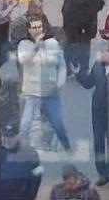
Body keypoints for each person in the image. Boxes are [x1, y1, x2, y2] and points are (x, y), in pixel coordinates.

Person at [71, 39, 109, 186]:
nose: (102, 55)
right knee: (98, 142)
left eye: (104, 52)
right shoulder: (97, 66)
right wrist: (79, 74)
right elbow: (89, 83)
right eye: (101, 52)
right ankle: (103, 173)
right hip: (98, 110)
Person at [17, 17, 72, 152]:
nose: (38, 30)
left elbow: (62, 65)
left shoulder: (53, 43)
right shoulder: (24, 44)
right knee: (26, 123)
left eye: (39, 27)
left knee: (57, 122)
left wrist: (60, 82)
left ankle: (65, 146)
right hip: (32, 90)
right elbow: (24, 61)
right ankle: (20, 148)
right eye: (34, 27)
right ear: (28, 30)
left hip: (50, 90)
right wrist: (36, 45)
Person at [61, 0, 105, 73]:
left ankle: (82, 68)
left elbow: (95, 4)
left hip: (85, 22)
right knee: (71, 43)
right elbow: (69, 1)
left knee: (83, 45)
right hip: (72, 20)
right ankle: (69, 66)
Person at [0, 132, 44, 200]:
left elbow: (37, 174)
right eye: (6, 136)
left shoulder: (29, 153)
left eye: (11, 136)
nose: (8, 139)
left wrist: (31, 195)